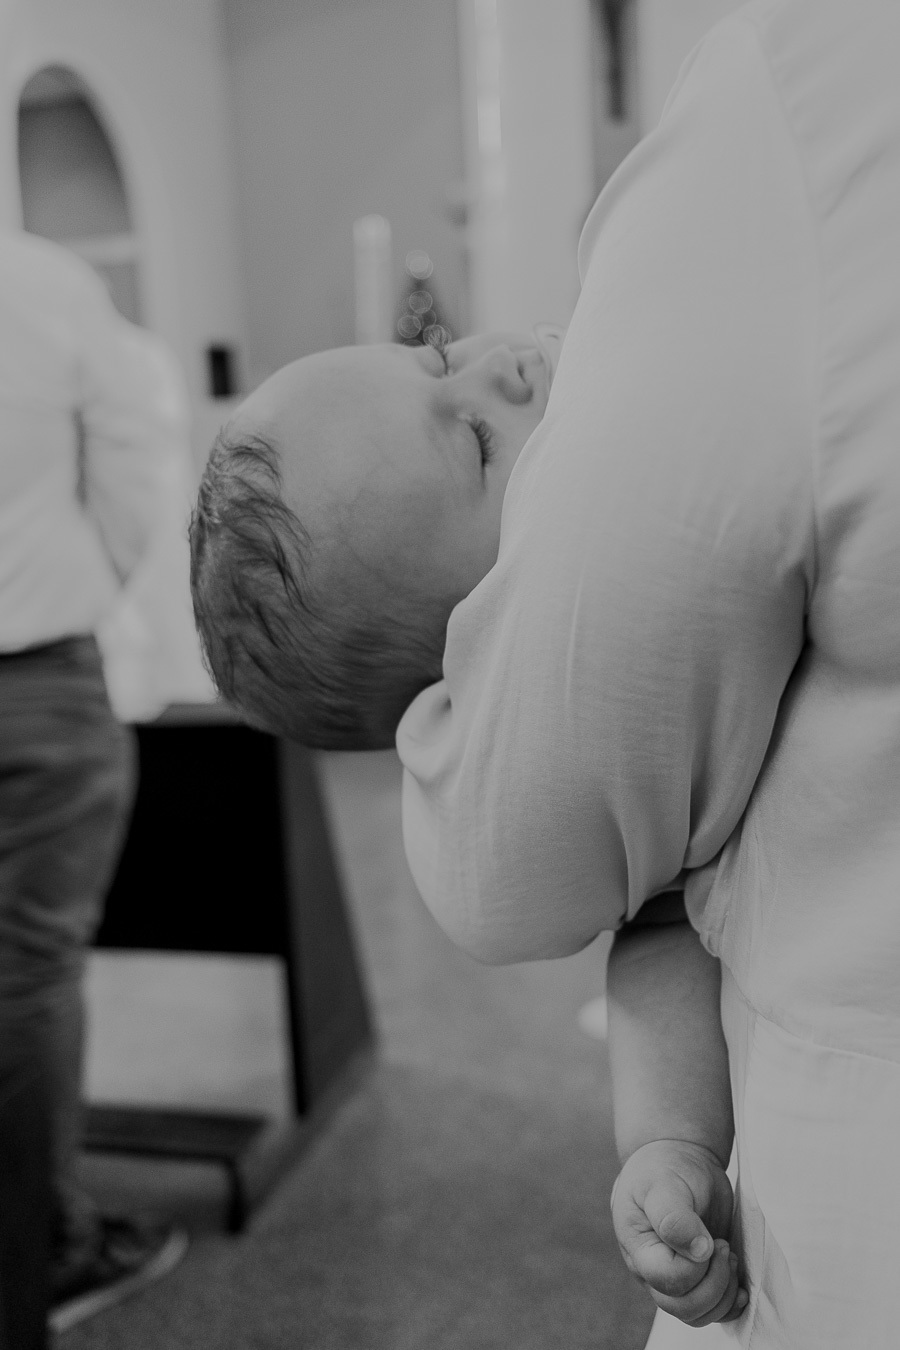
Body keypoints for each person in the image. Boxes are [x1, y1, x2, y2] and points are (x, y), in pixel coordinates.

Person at [191, 0, 900, 1343]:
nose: (503, 368)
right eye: (469, 444)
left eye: (439, 357)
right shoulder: (571, 698)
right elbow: (658, 940)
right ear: (480, 643)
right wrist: (667, 1145)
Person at [0, 231, 188, 1343]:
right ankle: (46, 1255)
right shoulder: (36, 281)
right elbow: (133, 458)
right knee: (25, 981)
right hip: (31, 675)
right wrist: (85, 589)